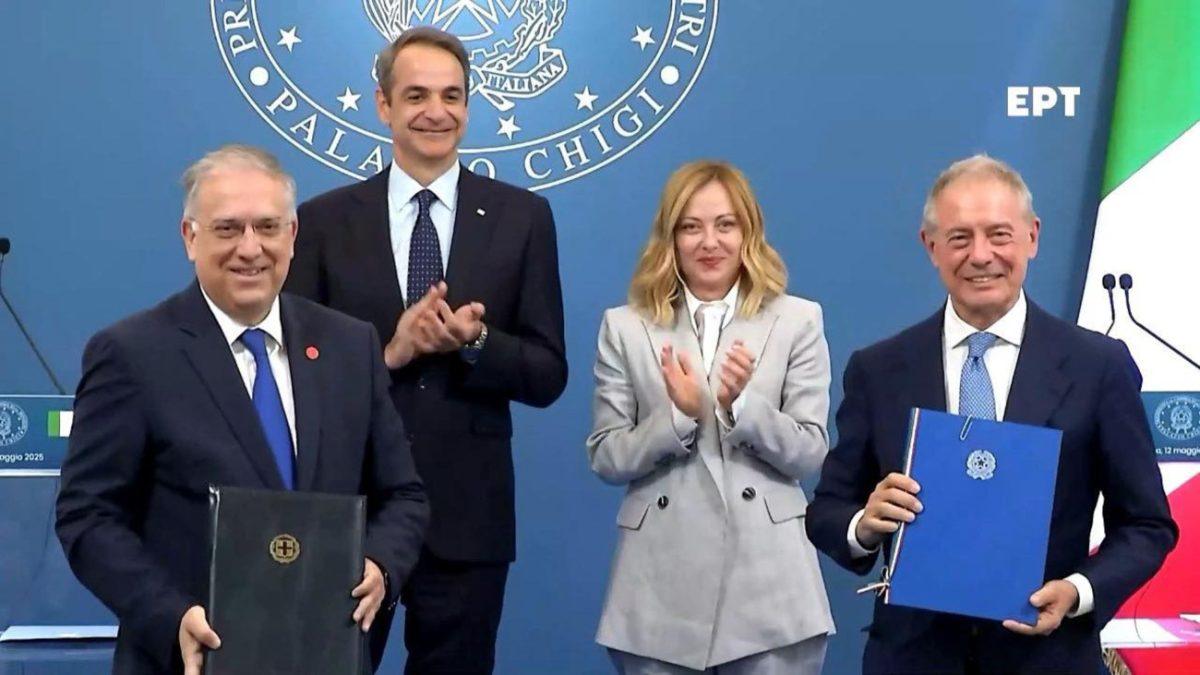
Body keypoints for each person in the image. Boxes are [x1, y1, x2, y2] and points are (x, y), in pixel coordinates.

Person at [55, 145, 430, 675]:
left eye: (267, 227)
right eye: (228, 229)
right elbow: (88, 516)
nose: (250, 249)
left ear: (292, 235)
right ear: (190, 237)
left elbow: (404, 496)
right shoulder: (132, 354)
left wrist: (381, 566)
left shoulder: (350, 346)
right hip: (188, 660)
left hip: (326, 655)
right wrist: (170, 614)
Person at [805, 154, 1178, 674]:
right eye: (959, 238)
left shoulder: (1098, 366)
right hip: (913, 659)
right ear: (930, 246)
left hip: (1048, 660)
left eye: (999, 235)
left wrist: (1078, 591)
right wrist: (863, 526)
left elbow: (1147, 524)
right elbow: (827, 510)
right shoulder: (879, 369)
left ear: (1032, 237)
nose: (981, 256)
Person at [283, 26, 567, 674]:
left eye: (451, 96)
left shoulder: (523, 218)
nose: (436, 112)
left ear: (468, 105)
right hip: (348, 513)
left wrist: (476, 343)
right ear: (383, 105)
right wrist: (389, 352)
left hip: (468, 517)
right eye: (416, 95)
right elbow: (290, 375)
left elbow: (548, 372)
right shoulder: (323, 222)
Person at [586, 160, 834, 675]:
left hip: (770, 592)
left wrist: (740, 407)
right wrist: (678, 418)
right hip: (658, 593)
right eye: (691, 227)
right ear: (670, 237)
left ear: (748, 232)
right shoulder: (625, 326)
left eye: (725, 225)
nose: (709, 242)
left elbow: (809, 451)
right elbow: (607, 455)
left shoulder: (797, 320)